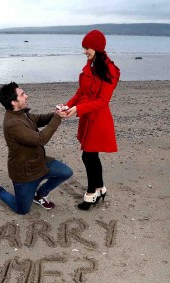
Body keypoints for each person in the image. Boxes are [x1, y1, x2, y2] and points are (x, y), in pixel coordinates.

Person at [0, 82, 73, 215]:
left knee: (66, 172)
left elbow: (38, 119)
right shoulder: (13, 124)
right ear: (13, 102)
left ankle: (40, 194)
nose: (26, 96)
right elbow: (40, 139)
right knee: (22, 210)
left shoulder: (21, 114)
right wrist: (57, 118)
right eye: (22, 94)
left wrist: (55, 113)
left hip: (39, 164)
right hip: (25, 173)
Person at [63, 30, 120, 210]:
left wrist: (78, 109)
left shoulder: (110, 70)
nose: (84, 51)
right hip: (87, 117)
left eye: (87, 48)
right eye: (84, 48)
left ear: (96, 47)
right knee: (91, 156)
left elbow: (103, 101)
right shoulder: (90, 64)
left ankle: (91, 194)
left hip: (99, 119)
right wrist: (68, 105)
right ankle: (100, 189)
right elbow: (81, 92)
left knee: (88, 155)